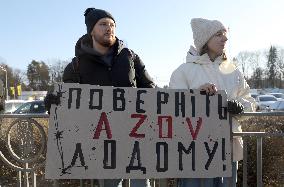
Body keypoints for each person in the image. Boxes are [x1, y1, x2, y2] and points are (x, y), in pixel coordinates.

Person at [45, 7, 155, 187]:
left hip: (135, 136)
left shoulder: (130, 57)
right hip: (102, 142)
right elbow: (68, 101)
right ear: (91, 30)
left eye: (112, 25)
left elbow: (150, 89)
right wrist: (53, 102)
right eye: (103, 24)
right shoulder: (76, 66)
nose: (109, 28)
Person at [169, 18, 255, 187]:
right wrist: (196, 95)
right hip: (194, 149)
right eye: (218, 34)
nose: (225, 38)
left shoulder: (234, 71)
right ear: (204, 40)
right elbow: (173, 107)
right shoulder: (183, 71)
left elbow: (250, 103)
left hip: (228, 146)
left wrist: (239, 107)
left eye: (225, 34)